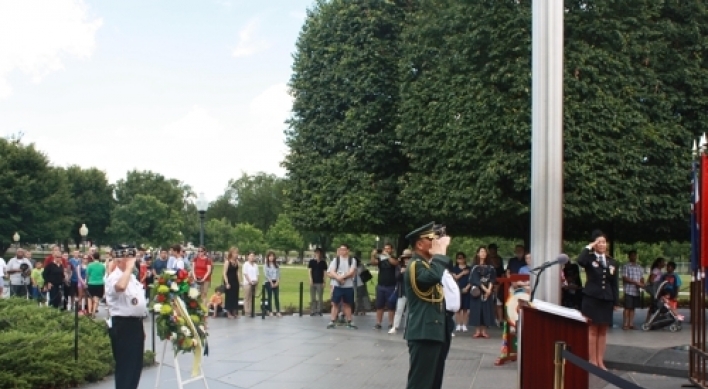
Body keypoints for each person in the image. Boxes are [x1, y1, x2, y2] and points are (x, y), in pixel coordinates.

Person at [403, 222, 452, 389]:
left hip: (434, 331)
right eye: (431, 239)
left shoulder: (427, 265)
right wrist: (441, 253)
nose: (436, 242)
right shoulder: (416, 265)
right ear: (419, 244)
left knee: (433, 383)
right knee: (421, 383)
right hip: (424, 332)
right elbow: (431, 277)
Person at [105, 245, 147, 389]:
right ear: (118, 261)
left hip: (135, 324)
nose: (132, 262)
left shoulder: (132, 278)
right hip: (123, 325)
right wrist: (128, 268)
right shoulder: (114, 277)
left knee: (135, 367)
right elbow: (120, 287)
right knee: (126, 369)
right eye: (128, 259)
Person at [577, 230, 619, 370]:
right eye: (599, 242)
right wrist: (589, 246)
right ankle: (592, 361)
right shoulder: (589, 259)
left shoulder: (612, 261)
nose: (602, 244)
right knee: (593, 330)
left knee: (603, 331)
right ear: (594, 244)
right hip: (592, 298)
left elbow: (614, 283)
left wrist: (616, 301)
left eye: (604, 242)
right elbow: (580, 261)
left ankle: (600, 361)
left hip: (606, 299)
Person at [326, 244, 358, 329]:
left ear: (348, 250)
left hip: (348, 286)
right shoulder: (336, 260)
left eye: (344, 249)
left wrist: (342, 278)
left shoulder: (352, 260)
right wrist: (338, 278)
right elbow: (331, 271)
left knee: (347, 304)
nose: (342, 251)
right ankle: (332, 321)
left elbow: (351, 272)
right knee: (335, 304)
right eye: (341, 249)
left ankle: (350, 321)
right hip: (337, 286)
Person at [468, 246, 496, 338]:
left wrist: (489, 290)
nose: (483, 253)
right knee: (477, 310)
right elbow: (475, 280)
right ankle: (477, 331)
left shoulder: (491, 267)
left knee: (486, 310)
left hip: (488, 290)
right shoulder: (474, 267)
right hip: (478, 290)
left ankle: (484, 331)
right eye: (481, 251)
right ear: (478, 253)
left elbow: (492, 279)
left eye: (484, 251)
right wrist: (485, 290)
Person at [371, 243, 399, 330]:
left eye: (388, 249)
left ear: (392, 250)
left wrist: (387, 255)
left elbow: (394, 263)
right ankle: (378, 323)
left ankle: (391, 323)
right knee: (379, 306)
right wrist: (373, 254)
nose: (386, 250)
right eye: (385, 249)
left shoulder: (394, 257)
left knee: (391, 306)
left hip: (391, 285)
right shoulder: (380, 258)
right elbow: (373, 263)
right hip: (381, 285)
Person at [389, 249, 413, 335]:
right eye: (405, 258)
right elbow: (397, 278)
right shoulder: (399, 267)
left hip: (411, 292)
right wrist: (401, 272)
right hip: (402, 291)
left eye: (409, 258)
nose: (407, 260)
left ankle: (408, 327)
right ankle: (395, 327)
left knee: (409, 311)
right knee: (399, 309)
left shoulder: (414, 267)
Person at [621, 250, 644, 330]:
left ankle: (631, 324)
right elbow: (624, 277)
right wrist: (635, 282)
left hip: (636, 291)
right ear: (629, 256)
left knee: (633, 308)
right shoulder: (626, 266)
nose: (634, 257)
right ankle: (625, 324)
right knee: (627, 307)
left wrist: (641, 284)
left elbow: (641, 278)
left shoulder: (639, 267)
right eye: (632, 255)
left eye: (635, 255)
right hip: (628, 290)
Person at [452, 252, 471, 333]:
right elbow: (454, 278)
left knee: (465, 309)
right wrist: (463, 273)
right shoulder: (454, 268)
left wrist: (467, 288)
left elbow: (472, 279)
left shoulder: (469, 268)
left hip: (467, 289)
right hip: (457, 290)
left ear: (464, 258)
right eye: (458, 258)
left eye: (462, 257)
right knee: (457, 309)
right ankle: (459, 325)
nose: (460, 259)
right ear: (456, 259)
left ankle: (464, 325)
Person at [308, 248, 328, 316]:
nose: (317, 254)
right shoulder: (312, 261)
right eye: (316, 252)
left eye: (319, 253)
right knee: (313, 297)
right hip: (313, 282)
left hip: (320, 282)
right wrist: (310, 279)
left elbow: (325, 272)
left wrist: (324, 281)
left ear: (321, 254)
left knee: (320, 297)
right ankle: (313, 310)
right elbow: (309, 271)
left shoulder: (323, 262)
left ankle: (319, 310)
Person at [86, 252, 106, 318]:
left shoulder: (90, 265)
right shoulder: (102, 265)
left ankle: (89, 311)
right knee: (96, 298)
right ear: (99, 257)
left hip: (91, 283)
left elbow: (87, 275)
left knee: (89, 298)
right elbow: (103, 274)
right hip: (99, 283)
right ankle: (94, 312)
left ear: (93, 257)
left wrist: (87, 282)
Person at [223, 247, 241, 319]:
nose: (236, 255)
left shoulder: (237, 262)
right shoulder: (227, 262)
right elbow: (224, 273)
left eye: (237, 253)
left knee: (235, 296)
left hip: (235, 281)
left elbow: (238, 272)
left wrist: (240, 282)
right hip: (229, 280)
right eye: (234, 253)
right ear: (231, 254)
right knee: (229, 297)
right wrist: (227, 283)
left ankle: (234, 311)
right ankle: (228, 313)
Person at [263, 251, 282, 317]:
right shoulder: (266, 265)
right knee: (269, 297)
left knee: (276, 297)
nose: (271, 258)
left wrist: (277, 282)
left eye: (272, 256)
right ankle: (270, 311)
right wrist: (271, 282)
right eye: (270, 256)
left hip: (275, 281)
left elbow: (279, 274)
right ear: (268, 257)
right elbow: (266, 275)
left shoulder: (277, 265)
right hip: (268, 282)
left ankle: (278, 311)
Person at [242, 252, 259, 317]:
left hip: (254, 283)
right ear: (248, 257)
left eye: (253, 256)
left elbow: (257, 274)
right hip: (247, 283)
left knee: (252, 298)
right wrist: (250, 281)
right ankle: (247, 312)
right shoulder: (245, 264)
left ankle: (252, 311)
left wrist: (257, 281)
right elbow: (245, 274)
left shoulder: (256, 265)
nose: (252, 257)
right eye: (250, 256)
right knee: (247, 298)